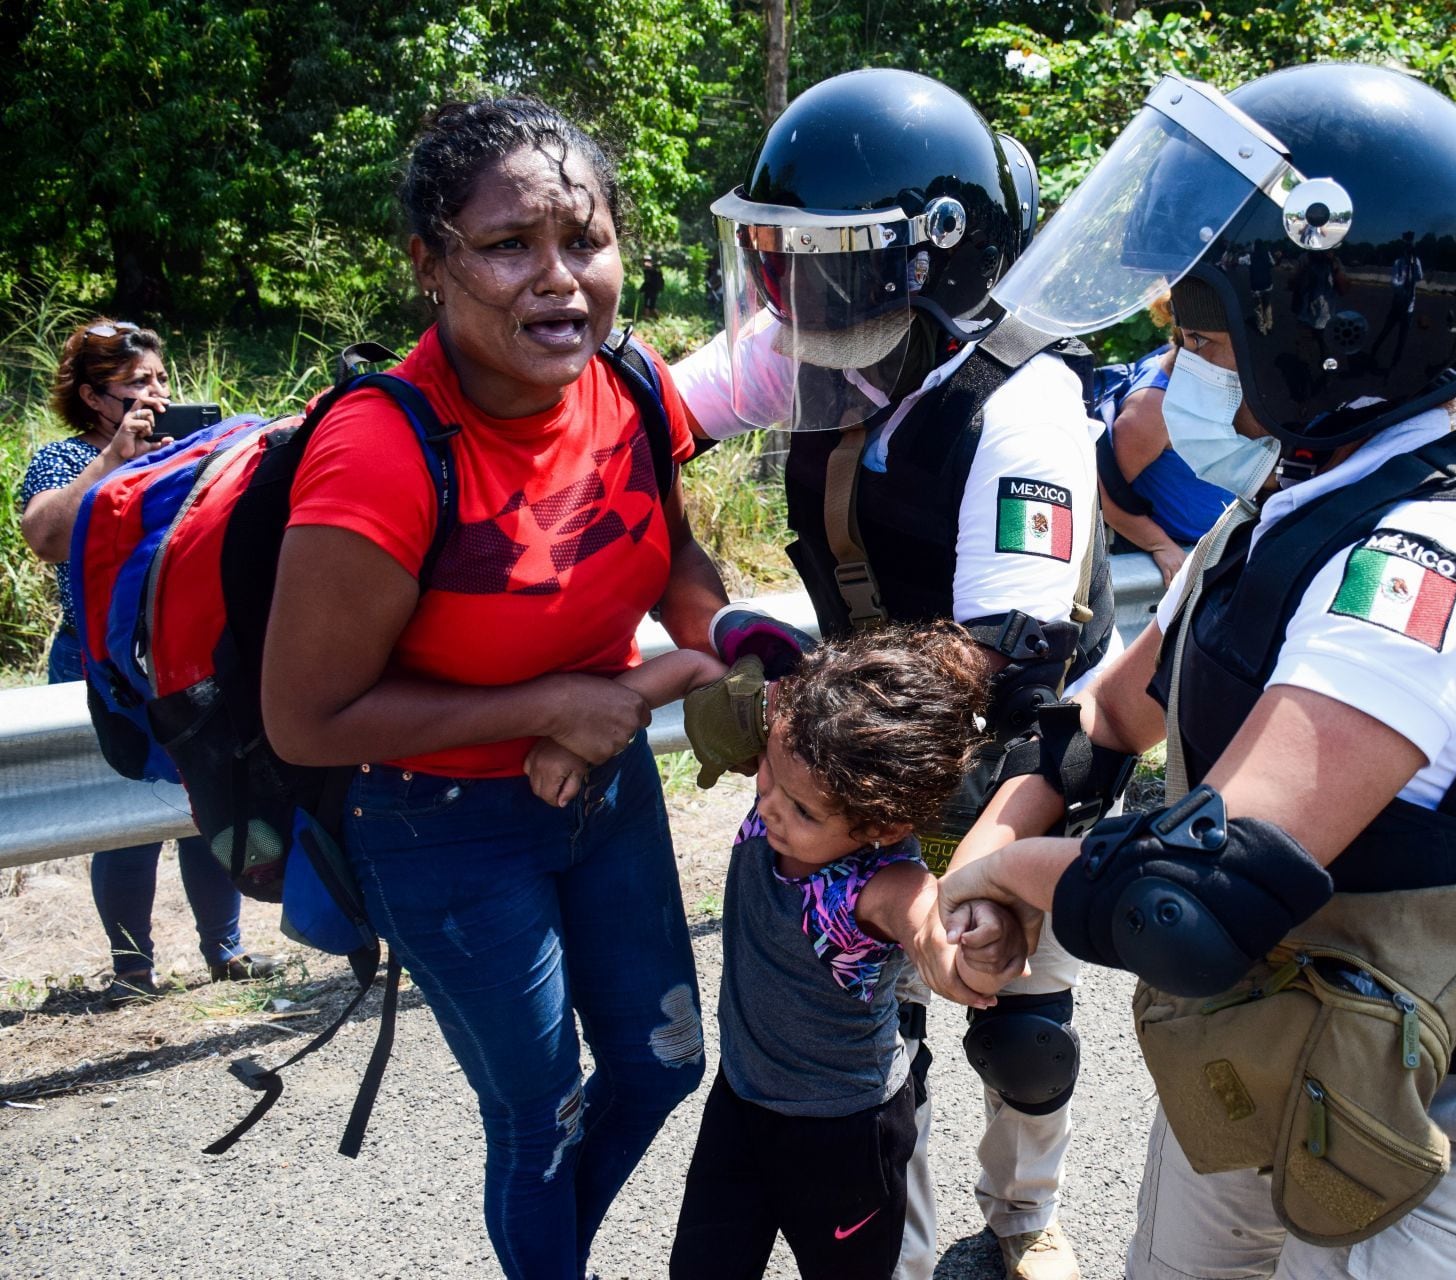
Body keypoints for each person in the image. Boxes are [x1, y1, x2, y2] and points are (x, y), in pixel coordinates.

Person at [940, 63, 1456, 1280]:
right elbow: (1110, 707)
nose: (1175, 372)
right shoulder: (1298, 485)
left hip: (1438, 1117)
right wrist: (997, 835)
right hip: (1268, 1046)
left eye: (1201, 336)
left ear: (1334, 326)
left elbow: (1189, 898)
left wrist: (1000, 873)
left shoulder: (1437, 554)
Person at [258, 97, 726, 1279]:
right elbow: (303, 717)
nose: (560, 277)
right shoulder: (379, 452)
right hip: (440, 822)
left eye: (587, 238)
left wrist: (725, 636)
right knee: (540, 1110)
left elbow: (669, 550)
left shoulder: (628, 378)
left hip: (601, 788)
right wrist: (549, 705)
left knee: (665, 1059)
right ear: (431, 264)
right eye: (510, 243)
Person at [672, 68, 1108, 1280]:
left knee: (1017, 1022)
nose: (786, 290)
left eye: (824, 259)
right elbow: (651, 416)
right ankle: (885, 1235)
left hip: (999, 730)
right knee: (865, 1009)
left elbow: (1003, 655)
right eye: (778, 255)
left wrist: (817, 721)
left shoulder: (1025, 404)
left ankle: (1025, 1215)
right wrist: (722, 627)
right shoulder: (813, 340)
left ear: (929, 263)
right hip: (849, 721)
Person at [655, 622, 1021, 1280]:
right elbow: (717, 664)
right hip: (741, 1102)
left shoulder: (875, 884)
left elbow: (926, 922)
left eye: (799, 810)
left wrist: (968, 952)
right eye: (767, 769)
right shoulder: (799, 769)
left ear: (882, 826)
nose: (768, 804)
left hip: (844, 1137)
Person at [18, 318, 281, 1006]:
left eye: (161, 378)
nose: (156, 393)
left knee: (208, 800)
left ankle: (225, 951)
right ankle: (132, 971)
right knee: (124, 824)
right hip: (97, 657)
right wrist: (114, 461)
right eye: (137, 383)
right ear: (92, 396)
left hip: (180, 651)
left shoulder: (187, 449)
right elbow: (45, 538)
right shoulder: (61, 461)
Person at [1094, 324, 1235, 587]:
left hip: (1225, 547)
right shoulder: (1154, 407)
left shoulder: (1209, 372)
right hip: (1178, 552)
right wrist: (1159, 544)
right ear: (1194, 340)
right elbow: (1098, 494)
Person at [641, 252, 666, 318]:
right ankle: (657, 318)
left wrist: (642, 289)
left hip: (651, 290)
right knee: (651, 306)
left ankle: (646, 319)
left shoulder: (649, 270)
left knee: (648, 306)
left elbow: (648, 281)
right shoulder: (654, 269)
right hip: (653, 290)